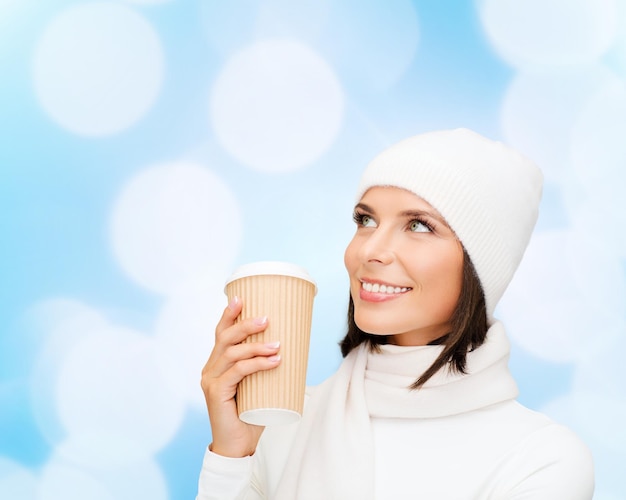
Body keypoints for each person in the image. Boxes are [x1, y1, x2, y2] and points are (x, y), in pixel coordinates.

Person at [197, 128, 594, 499]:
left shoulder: (541, 458)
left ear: (480, 267)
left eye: (419, 226)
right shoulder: (278, 424)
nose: (370, 251)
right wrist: (231, 457)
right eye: (366, 220)